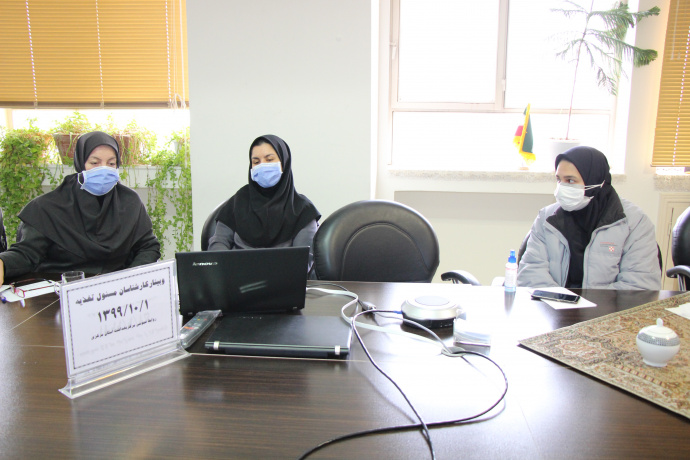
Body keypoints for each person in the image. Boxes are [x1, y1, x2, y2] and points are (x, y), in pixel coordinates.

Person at [0, 131, 160, 285]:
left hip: (116, 292)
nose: (104, 170)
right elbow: (26, 253)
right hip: (60, 291)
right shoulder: (47, 208)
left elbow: (148, 246)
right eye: (94, 163)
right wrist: (3, 263)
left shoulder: (130, 202)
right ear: (80, 163)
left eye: (111, 164)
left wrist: (130, 279)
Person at [517, 146, 661, 290]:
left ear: (596, 180)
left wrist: (587, 302)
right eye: (559, 180)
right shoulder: (546, 218)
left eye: (570, 181)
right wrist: (559, 298)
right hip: (555, 302)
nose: (562, 187)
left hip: (606, 304)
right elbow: (531, 272)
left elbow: (640, 286)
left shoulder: (634, 222)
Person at [208, 134, 320, 270]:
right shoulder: (238, 200)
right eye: (256, 162)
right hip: (236, 277)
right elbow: (218, 243)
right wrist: (225, 269)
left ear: (284, 163)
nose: (262, 166)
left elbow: (301, 261)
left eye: (269, 159)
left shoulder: (303, 210)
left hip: (283, 279)